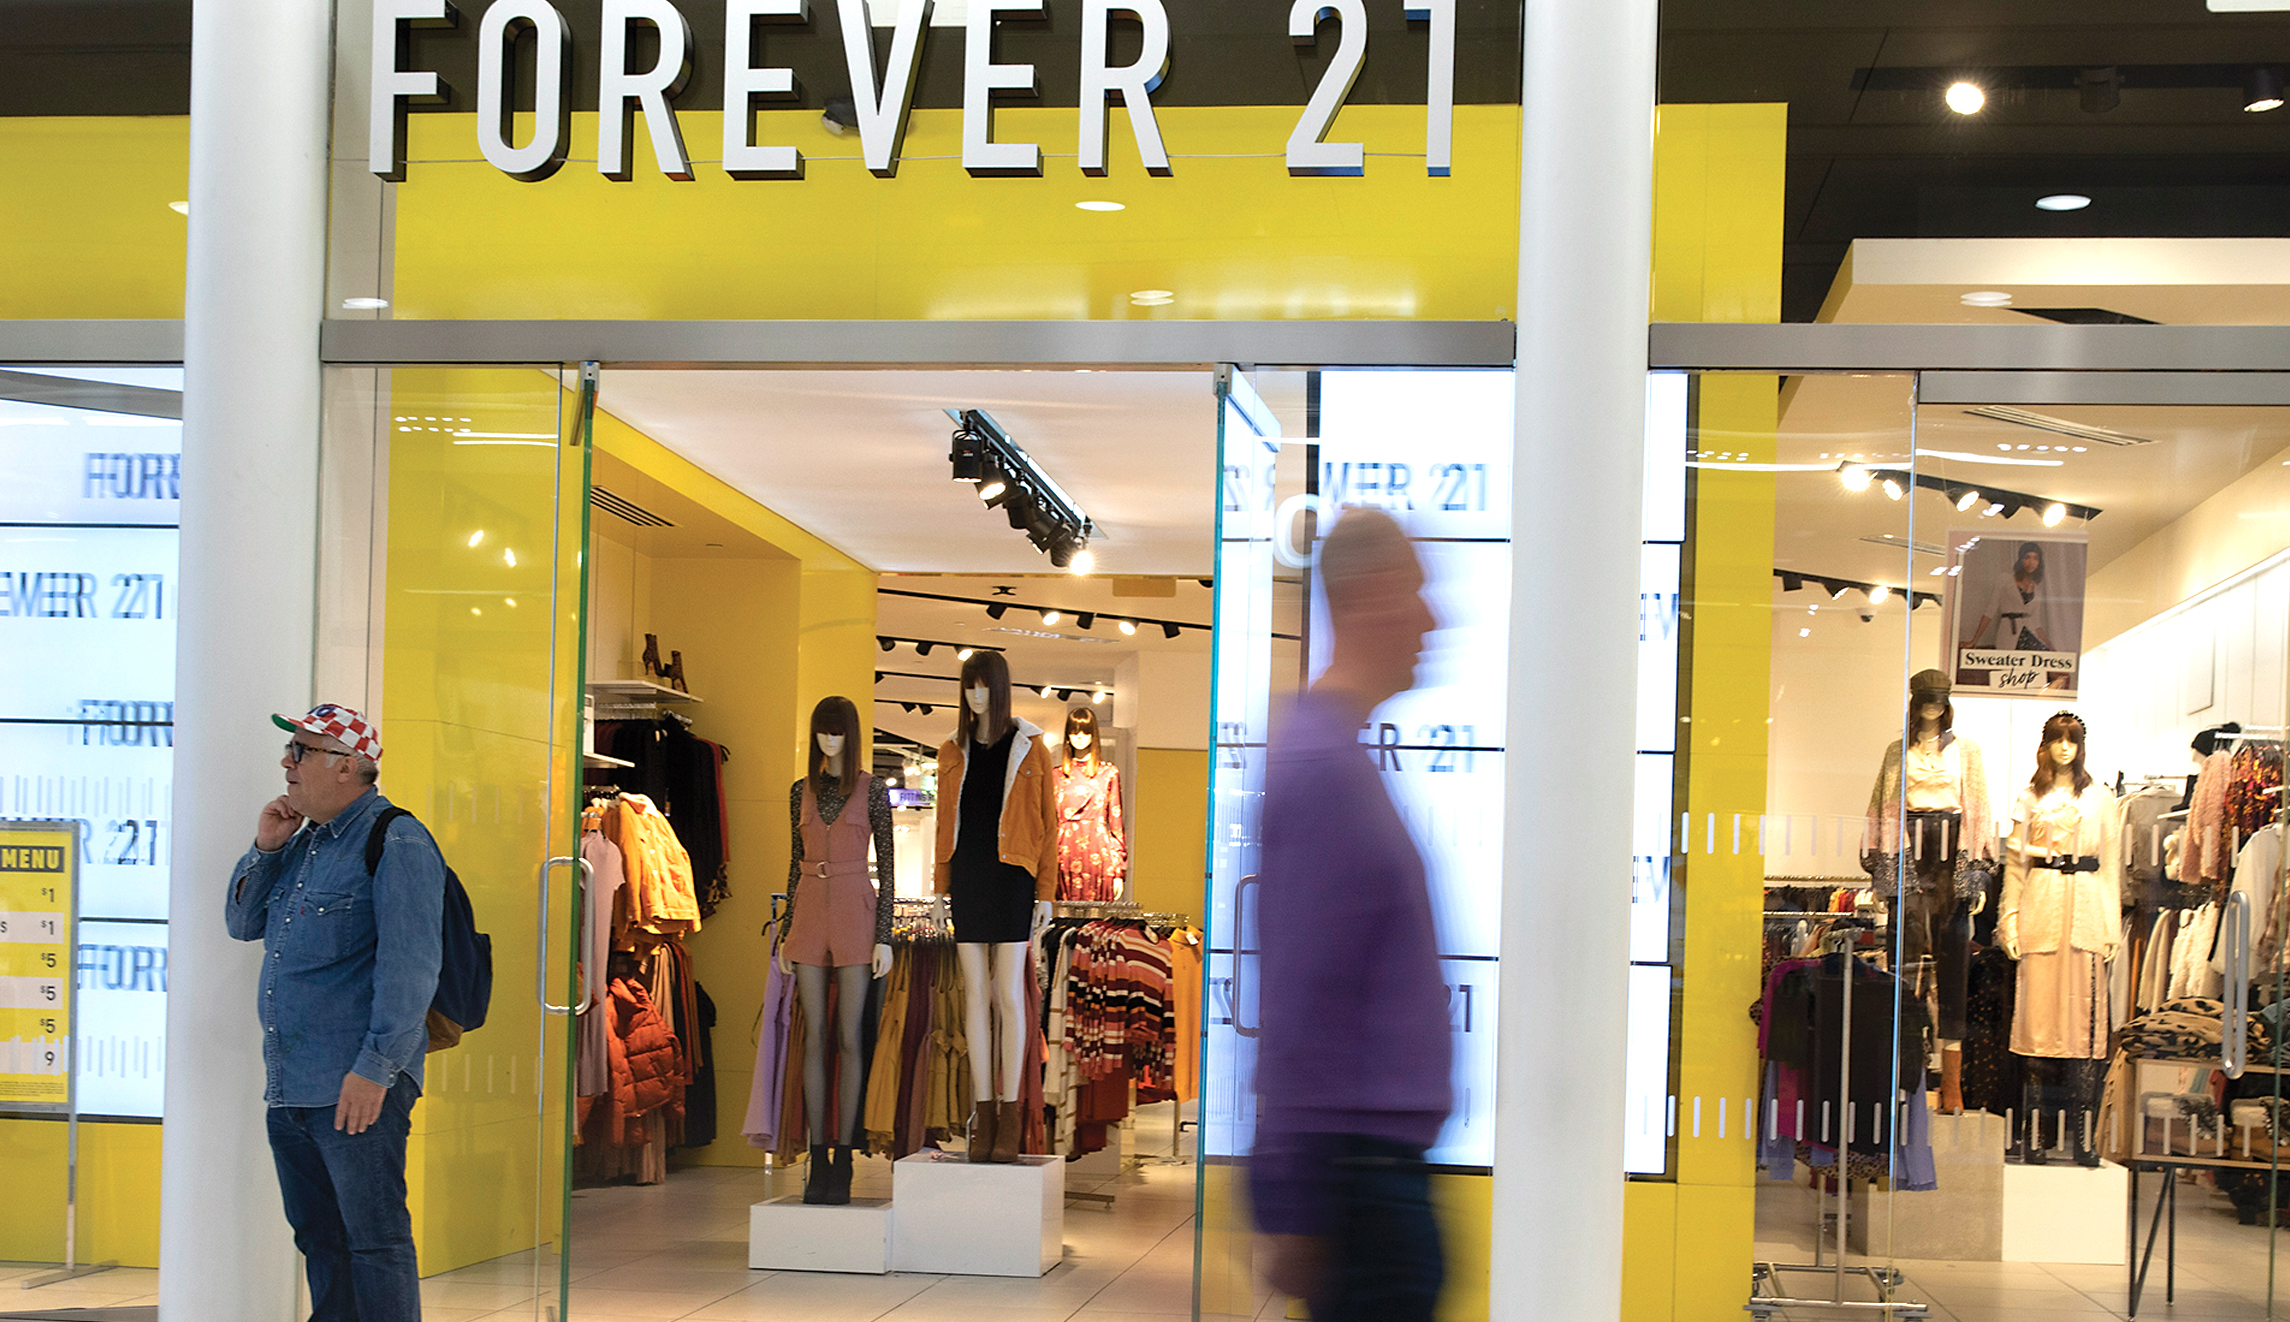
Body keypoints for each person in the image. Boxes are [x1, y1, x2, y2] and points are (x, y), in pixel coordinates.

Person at [1251, 508, 1452, 1321]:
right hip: (1359, 1187)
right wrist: (1293, 1201)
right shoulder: (1323, 770)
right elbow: (1301, 997)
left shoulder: (1336, 759)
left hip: (1371, 1177)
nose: (1432, 619)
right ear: (1369, 596)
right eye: (1415, 590)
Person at [225, 704, 444, 1322]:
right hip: (291, 1085)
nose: (286, 762)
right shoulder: (305, 843)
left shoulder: (397, 840)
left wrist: (375, 1070)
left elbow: (412, 968)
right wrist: (267, 848)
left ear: (348, 766)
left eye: (302, 751)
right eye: (290, 749)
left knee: (374, 1243)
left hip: (355, 1085)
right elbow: (242, 923)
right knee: (321, 1240)